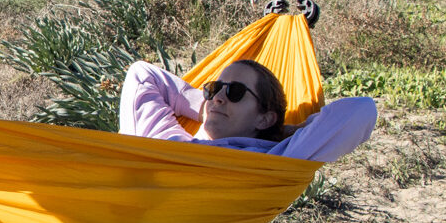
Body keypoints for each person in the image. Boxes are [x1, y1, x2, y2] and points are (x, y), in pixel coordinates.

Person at [117, 57, 376, 163]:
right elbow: (142, 73)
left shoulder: (272, 158)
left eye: (235, 92)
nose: (218, 97)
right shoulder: (164, 138)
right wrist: (207, 108)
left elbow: (362, 110)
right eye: (215, 88)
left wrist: (285, 132)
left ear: (264, 118)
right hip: (165, 154)